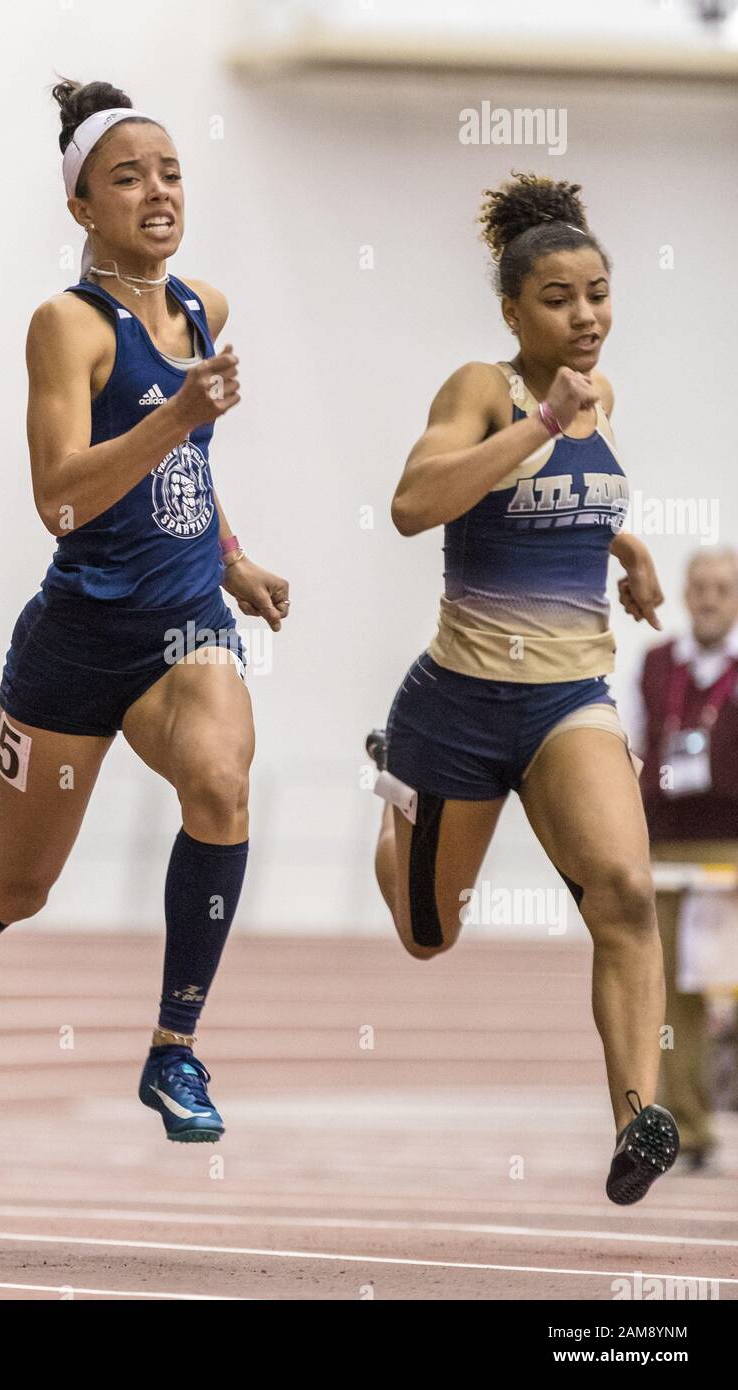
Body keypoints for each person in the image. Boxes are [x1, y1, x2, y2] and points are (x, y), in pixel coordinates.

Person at [0, 79, 290, 1143]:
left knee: (221, 780)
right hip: (76, 643)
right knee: (16, 885)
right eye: (127, 178)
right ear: (81, 208)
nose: (157, 191)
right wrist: (182, 412)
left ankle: (175, 1052)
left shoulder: (203, 305)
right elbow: (60, 498)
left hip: (184, 631)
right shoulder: (66, 327)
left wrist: (233, 558)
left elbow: (184, 465)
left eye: (169, 172)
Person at [366, 174, 677, 1204]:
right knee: (426, 934)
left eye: (597, 293)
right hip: (457, 705)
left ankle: (637, 1114)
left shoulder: (605, 394)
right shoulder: (480, 388)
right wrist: (539, 417)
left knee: (624, 895)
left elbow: (564, 505)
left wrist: (624, 547)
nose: (584, 317)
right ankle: (394, 784)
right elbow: (416, 505)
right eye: (557, 298)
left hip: (565, 699)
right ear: (511, 311)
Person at [632, 547, 738, 1169]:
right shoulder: (652, 664)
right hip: (665, 844)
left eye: (721, 588)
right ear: (683, 592)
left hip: (731, 845)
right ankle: (689, 1130)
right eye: (698, 587)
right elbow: (626, 747)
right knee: (672, 990)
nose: (708, 598)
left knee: (718, 980)